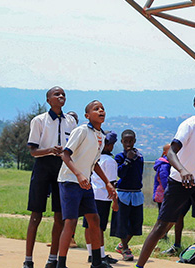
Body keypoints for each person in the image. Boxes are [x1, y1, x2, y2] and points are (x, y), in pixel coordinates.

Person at [134, 90, 195, 268]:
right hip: (180, 182)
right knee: (162, 226)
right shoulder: (188, 126)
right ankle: (139, 265)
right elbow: (171, 152)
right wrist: (182, 170)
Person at [56, 100, 117, 268]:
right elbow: (65, 155)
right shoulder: (81, 131)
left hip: (85, 183)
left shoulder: (101, 136)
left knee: (94, 219)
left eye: (103, 108)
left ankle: (96, 262)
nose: (101, 111)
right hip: (70, 181)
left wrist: (107, 183)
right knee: (71, 221)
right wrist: (79, 174)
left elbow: (95, 163)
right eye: (96, 109)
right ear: (87, 116)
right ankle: (60, 264)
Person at [24, 87, 78, 268]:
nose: (61, 97)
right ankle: (28, 259)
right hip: (43, 166)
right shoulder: (39, 121)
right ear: (48, 100)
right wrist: (49, 150)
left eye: (63, 94)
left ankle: (52, 259)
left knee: (59, 215)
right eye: (56, 94)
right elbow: (33, 151)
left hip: (62, 168)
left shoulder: (70, 121)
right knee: (36, 214)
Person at [85, 131, 119, 266]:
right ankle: (101, 255)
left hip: (90, 195)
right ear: (110, 146)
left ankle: (91, 254)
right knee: (99, 227)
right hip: (103, 197)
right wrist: (115, 202)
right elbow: (111, 183)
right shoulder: (110, 161)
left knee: (88, 226)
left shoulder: (93, 158)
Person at [110, 129, 143, 261]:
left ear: (134, 141)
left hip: (136, 193)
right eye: (126, 141)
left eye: (131, 141)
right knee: (122, 222)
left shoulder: (139, 156)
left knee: (136, 223)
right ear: (122, 142)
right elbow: (120, 173)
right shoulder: (119, 157)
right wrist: (127, 161)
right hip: (123, 193)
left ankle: (122, 244)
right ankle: (125, 248)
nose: (128, 143)